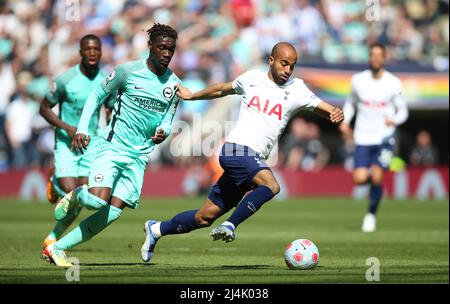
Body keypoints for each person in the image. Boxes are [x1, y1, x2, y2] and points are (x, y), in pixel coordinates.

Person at [140, 42, 344, 263]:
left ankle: (157, 229)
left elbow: (325, 108)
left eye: (292, 66)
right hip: (235, 149)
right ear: (272, 61)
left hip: (250, 162)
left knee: (204, 217)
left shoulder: (297, 88)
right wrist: (192, 97)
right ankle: (230, 225)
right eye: (284, 64)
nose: (287, 70)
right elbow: (221, 89)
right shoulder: (252, 79)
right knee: (271, 186)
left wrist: (335, 113)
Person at [44, 23, 181, 267]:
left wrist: (164, 131)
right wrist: (83, 128)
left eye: (171, 49)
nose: (167, 54)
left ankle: (57, 248)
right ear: (150, 46)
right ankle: (75, 195)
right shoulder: (127, 71)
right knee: (97, 200)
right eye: (162, 48)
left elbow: (168, 120)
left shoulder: (174, 84)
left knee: (114, 211)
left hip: (139, 156)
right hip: (112, 147)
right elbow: (97, 95)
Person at [39, 34, 114, 257]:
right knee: (70, 192)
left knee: (83, 197)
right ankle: (54, 180)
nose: (92, 53)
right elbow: (44, 108)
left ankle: (52, 238)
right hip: (66, 143)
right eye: (87, 49)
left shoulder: (105, 80)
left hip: (91, 144)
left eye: (96, 49)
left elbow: (109, 108)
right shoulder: (65, 80)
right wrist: (68, 128)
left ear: (101, 52)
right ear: (80, 52)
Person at [339, 42, 409, 233]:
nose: (376, 58)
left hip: (384, 137)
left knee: (377, 175)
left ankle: (370, 215)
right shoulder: (358, 80)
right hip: (363, 136)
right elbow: (351, 103)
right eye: (373, 55)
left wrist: (393, 120)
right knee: (360, 179)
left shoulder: (393, 82)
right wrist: (346, 121)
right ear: (369, 57)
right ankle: (376, 187)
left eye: (379, 55)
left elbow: (403, 111)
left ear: (384, 58)